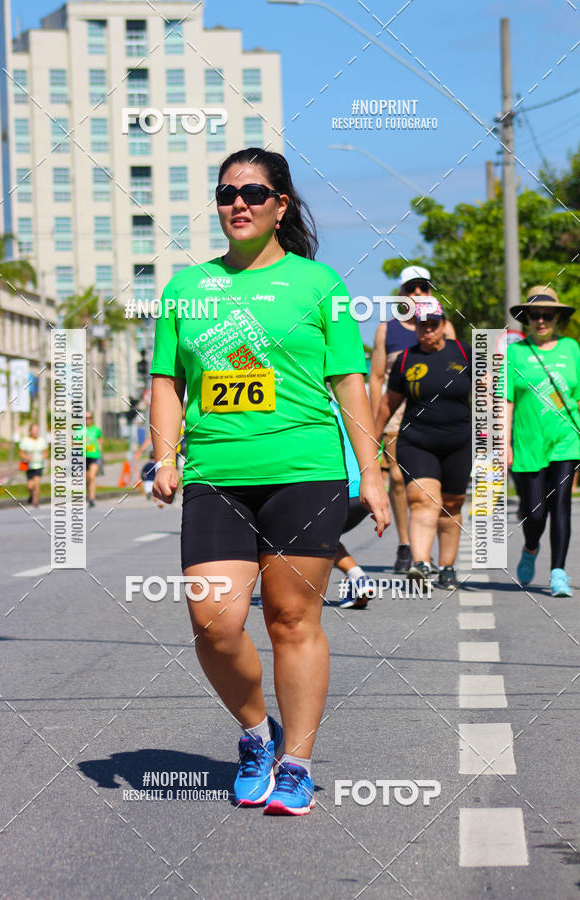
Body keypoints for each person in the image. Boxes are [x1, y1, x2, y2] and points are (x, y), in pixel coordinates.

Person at [149, 147, 390, 816]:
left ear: (281, 204)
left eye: (254, 192)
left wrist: (371, 474)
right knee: (214, 621)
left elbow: (349, 381)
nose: (239, 203)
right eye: (227, 192)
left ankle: (298, 764)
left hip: (304, 472)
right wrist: (165, 455)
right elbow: (166, 380)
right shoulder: (185, 289)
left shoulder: (319, 285)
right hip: (216, 475)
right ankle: (258, 734)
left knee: (291, 619)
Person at [375, 297, 472, 589]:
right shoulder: (406, 358)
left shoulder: (465, 353)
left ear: (444, 325)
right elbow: (386, 406)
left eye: (433, 325)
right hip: (417, 441)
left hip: (459, 442)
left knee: (452, 505)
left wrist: (496, 435)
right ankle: (420, 564)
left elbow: (486, 394)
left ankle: (447, 567)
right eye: (421, 325)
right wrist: (372, 440)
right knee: (422, 500)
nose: (427, 330)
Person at [370, 265, 455, 574]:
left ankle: (426, 550)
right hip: (397, 413)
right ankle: (406, 544)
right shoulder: (387, 329)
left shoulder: (444, 327)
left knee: (437, 488)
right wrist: (373, 426)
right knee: (396, 477)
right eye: (411, 289)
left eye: (423, 288)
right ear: (401, 295)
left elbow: (458, 368)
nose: (417, 294)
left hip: (434, 412)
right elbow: (377, 377)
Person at [507, 286, 580, 597]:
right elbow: (506, 400)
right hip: (527, 442)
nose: (540, 320)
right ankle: (530, 547)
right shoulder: (515, 353)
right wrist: (503, 443)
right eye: (534, 315)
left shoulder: (571, 349)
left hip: (566, 439)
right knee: (535, 512)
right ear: (526, 318)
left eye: (547, 315)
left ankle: (558, 573)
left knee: (561, 503)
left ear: (557, 317)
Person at [331, 401, 376, 609]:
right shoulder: (344, 407)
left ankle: (357, 577)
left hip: (336, 488)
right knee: (323, 540)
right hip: (363, 492)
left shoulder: (303, 406)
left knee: (298, 537)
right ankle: (356, 580)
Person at [18, 423, 48, 508]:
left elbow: (46, 453)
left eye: (37, 430)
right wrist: (27, 457)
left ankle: (36, 502)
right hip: (29, 465)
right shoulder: (25, 440)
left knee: (37, 483)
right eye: (34, 430)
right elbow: (21, 453)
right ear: (30, 431)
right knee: (30, 486)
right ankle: (31, 495)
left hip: (39, 465)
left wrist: (43, 457)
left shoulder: (42, 440)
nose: (35, 432)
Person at [83, 412, 103, 508]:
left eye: (89, 418)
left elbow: (100, 440)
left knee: (92, 476)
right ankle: (89, 496)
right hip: (84, 456)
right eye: (86, 418)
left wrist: (99, 446)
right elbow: (74, 442)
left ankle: (92, 498)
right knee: (87, 479)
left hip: (95, 456)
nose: (88, 420)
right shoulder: (80, 430)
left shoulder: (96, 430)